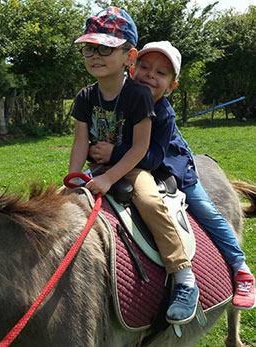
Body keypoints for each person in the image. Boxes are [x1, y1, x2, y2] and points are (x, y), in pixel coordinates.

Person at [90, 40, 255, 310]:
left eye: (161, 73)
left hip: (171, 166)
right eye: (144, 67)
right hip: (132, 165)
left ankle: (241, 268)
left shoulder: (163, 112)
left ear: (171, 86)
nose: (150, 75)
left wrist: (113, 153)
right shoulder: (124, 99)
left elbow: (154, 157)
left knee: (206, 211)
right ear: (132, 70)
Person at [69, 7, 199, 324]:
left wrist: (111, 176)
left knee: (149, 201)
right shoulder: (85, 97)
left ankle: (183, 276)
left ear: (130, 55)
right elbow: (80, 143)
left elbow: (141, 148)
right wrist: (73, 178)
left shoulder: (138, 95)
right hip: (98, 169)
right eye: (89, 48)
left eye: (106, 48)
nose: (95, 55)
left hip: (133, 165)